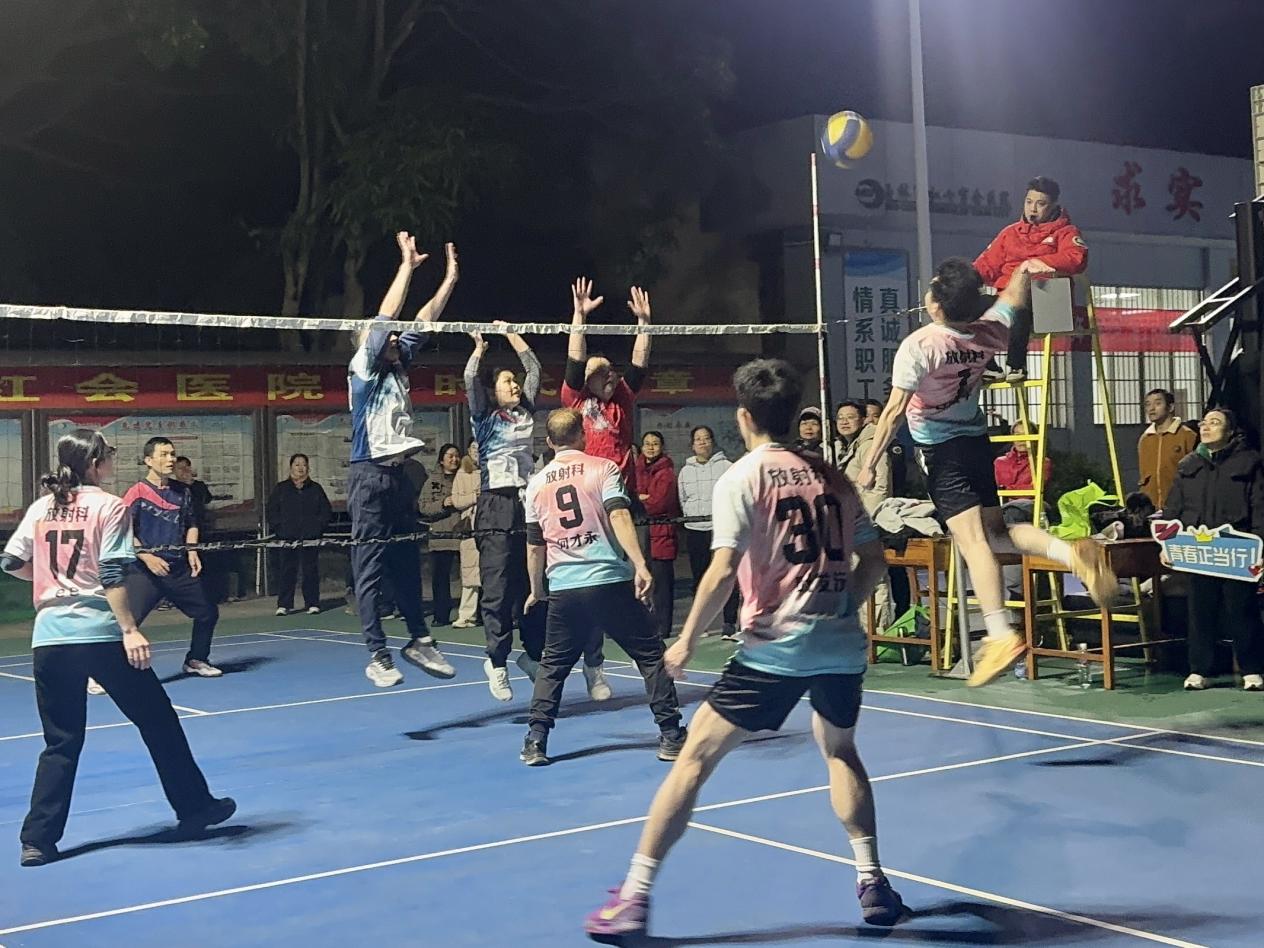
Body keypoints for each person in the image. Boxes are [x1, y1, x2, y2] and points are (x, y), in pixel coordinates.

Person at [584, 360, 903, 940]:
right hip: (838, 645)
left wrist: (685, 641)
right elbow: (875, 560)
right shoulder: (835, 478)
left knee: (693, 760)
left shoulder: (743, 477)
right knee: (840, 752)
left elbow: (722, 570)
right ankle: (872, 879)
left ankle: (633, 896)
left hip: (772, 650)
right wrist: (841, 607)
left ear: (743, 417)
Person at [859, 258, 1115, 686]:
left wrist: (869, 464)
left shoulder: (920, 345)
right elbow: (1013, 297)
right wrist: (1025, 270)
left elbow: (893, 412)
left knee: (972, 542)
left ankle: (999, 635)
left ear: (936, 305)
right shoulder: (991, 330)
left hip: (942, 452)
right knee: (996, 534)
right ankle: (1071, 554)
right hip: (977, 443)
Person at [2, 429, 235, 867]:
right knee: (159, 720)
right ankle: (195, 806)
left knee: (61, 742)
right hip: (99, 635)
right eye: (109, 453)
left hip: (50, 638)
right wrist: (129, 628)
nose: (113, 459)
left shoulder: (42, 507)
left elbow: (11, 562)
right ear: (95, 464)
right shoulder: (109, 506)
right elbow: (111, 574)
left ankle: (37, 840)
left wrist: (51, 582)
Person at [520, 409, 686, 767]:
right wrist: (640, 563)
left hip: (564, 586)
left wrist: (536, 590)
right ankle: (671, 734)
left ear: (549, 442)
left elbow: (534, 546)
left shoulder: (536, 484)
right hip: (608, 580)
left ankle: (535, 740)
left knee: (553, 665)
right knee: (650, 656)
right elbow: (619, 514)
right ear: (583, 435)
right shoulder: (603, 469)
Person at [347, 231, 457, 687]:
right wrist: (406, 267)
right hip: (369, 475)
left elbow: (425, 319)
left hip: (398, 478)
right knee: (371, 567)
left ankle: (419, 639)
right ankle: (377, 654)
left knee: (409, 562)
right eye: (385, 335)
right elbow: (386, 316)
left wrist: (449, 280)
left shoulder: (397, 362)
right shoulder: (364, 367)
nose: (394, 336)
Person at [465, 323, 552, 701]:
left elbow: (534, 368)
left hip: (527, 505)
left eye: (515, 382)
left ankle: (532, 655)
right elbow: (470, 379)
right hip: (495, 506)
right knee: (498, 590)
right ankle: (497, 662)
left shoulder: (527, 410)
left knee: (533, 587)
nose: (515, 385)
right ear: (493, 391)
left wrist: (511, 333)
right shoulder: (484, 416)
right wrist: (480, 350)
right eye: (507, 382)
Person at [1160, 408, 1264, 691]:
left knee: (1242, 609)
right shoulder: (1188, 465)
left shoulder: (1250, 463)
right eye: (1204, 423)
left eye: (1215, 423)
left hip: (1237, 549)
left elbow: (1259, 507)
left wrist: (1260, 546)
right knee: (1199, 610)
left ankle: (1252, 670)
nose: (1206, 427)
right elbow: (1172, 510)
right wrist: (1167, 544)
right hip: (1199, 551)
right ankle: (1199, 670)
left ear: (1230, 432)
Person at [122, 437, 223, 678]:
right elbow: (125, 531)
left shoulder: (183, 492)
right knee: (126, 623)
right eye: (164, 454)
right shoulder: (136, 492)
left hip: (177, 567)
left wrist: (192, 550)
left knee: (208, 612)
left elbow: (191, 524)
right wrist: (147, 557)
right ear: (149, 460)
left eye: (172, 454)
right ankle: (102, 672)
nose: (171, 459)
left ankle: (196, 659)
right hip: (145, 570)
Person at [973, 176, 1088, 383]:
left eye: (1040, 203)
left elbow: (1076, 258)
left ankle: (1017, 364)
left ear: (1053, 205)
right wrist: (959, 281)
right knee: (971, 306)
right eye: (1029, 202)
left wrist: (1036, 263)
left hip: (1046, 298)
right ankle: (989, 367)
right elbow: (986, 265)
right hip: (1009, 298)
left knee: (1020, 301)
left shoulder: (1066, 232)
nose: (1032, 208)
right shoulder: (1009, 234)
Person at [676, 426, 740, 640]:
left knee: (727, 575)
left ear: (713, 442)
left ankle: (729, 623)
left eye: (706, 438)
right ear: (692, 445)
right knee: (699, 578)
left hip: (722, 529)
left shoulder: (727, 466)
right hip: (695, 530)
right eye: (698, 439)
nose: (702, 442)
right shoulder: (685, 471)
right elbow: (683, 499)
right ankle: (699, 626)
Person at [837, 400, 892, 634]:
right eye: (840, 418)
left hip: (865, 525)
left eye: (850, 417)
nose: (844, 422)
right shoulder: (848, 446)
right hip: (850, 525)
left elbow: (880, 488)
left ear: (863, 419)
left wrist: (865, 524)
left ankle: (877, 633)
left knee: (874, 580)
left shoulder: (870, 445)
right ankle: (863, 631)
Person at [267, 453, 332, 616]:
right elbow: (272, 511)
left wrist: (317, 528)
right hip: (287, 537)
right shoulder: (281, 488)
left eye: (303, 464)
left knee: (310, 570)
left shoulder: (316, 488)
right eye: (297, 464)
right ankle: (284, 604)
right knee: (287, 570)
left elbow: (325, 511)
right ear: (291, 467)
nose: (300, 468)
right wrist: (280, 529)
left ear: (308, 468)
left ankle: (312, 603)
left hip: (310, 537)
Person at [635, 430, 681, 640]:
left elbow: (658, 504)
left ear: (662, 447)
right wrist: (641, 498)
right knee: (641, 583)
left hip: (662, 535)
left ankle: (663, 628)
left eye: (655, 443)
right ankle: (645, 625)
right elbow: (632, 497)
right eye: (647, 443)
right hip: (641, 535)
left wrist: (642, 500)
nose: (651, 447)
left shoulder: (667, 473)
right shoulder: (637, 469)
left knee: (662, 586)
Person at [419, 443, 463, 626]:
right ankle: (441, 615)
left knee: (471, 578)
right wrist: (443, 503)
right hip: (441, 536)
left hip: (463, 534)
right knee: (440, 578)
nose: (454, 459)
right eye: (450, 456)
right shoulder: (432, 481)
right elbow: (424, 507)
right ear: (442, 460)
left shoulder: (465, 477)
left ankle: (472, 614)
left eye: (456, 455)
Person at [1138, 388, 1197, 509]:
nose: (1151, 408)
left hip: (1180, 506)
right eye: (1148, 404)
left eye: (1157, 403)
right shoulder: (1145, 439)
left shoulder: (1188, 436)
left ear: (1170, 407)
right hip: (1150, 507)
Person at [450, 439, 482, 629]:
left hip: (490, 525)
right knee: (470, 574)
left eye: (479, 447)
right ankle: (467, 615)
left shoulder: (492, 469)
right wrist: (474, 497)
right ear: (468, 451)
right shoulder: (463, 473)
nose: (476, 451)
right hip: (470, 528)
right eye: (473, 448)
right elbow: (457, 500)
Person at [993, 420, 1053, 492]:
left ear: (1035, 439)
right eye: (1018, 435)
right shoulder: (1000, 462)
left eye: (1027, 435)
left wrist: (1008, 489)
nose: (1022, 439)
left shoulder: (1042, 462)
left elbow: (1034, 489)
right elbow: (1001, 488)